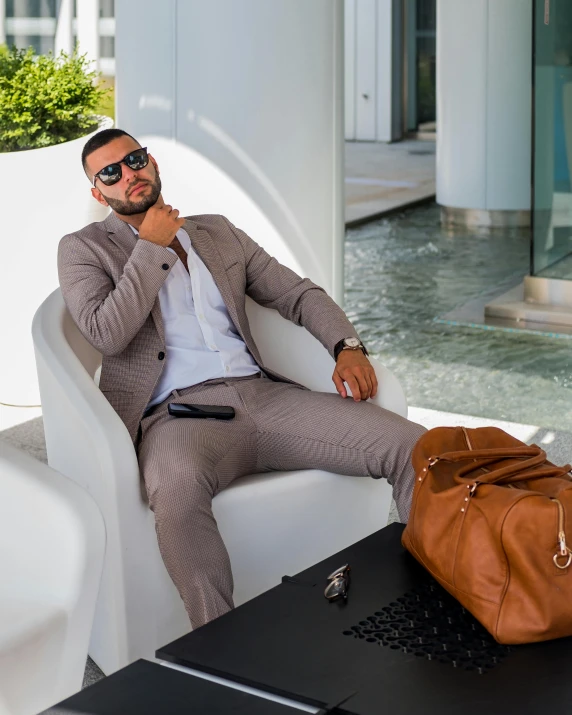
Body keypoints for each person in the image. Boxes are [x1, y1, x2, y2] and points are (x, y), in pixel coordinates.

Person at [58, 128, 426, 629]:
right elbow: (107, 333)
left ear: (153, 162)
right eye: (110, 173)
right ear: (98, 193)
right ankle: (219, 651)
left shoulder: (217, 231)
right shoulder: (82, 249)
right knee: (176, 488)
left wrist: (348, 347)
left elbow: (298, 293)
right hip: (177, 417)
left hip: (266, 398)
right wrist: (150, 247)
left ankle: (433, 597)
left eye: (135, 159)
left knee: (412, 447)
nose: (129, 174)